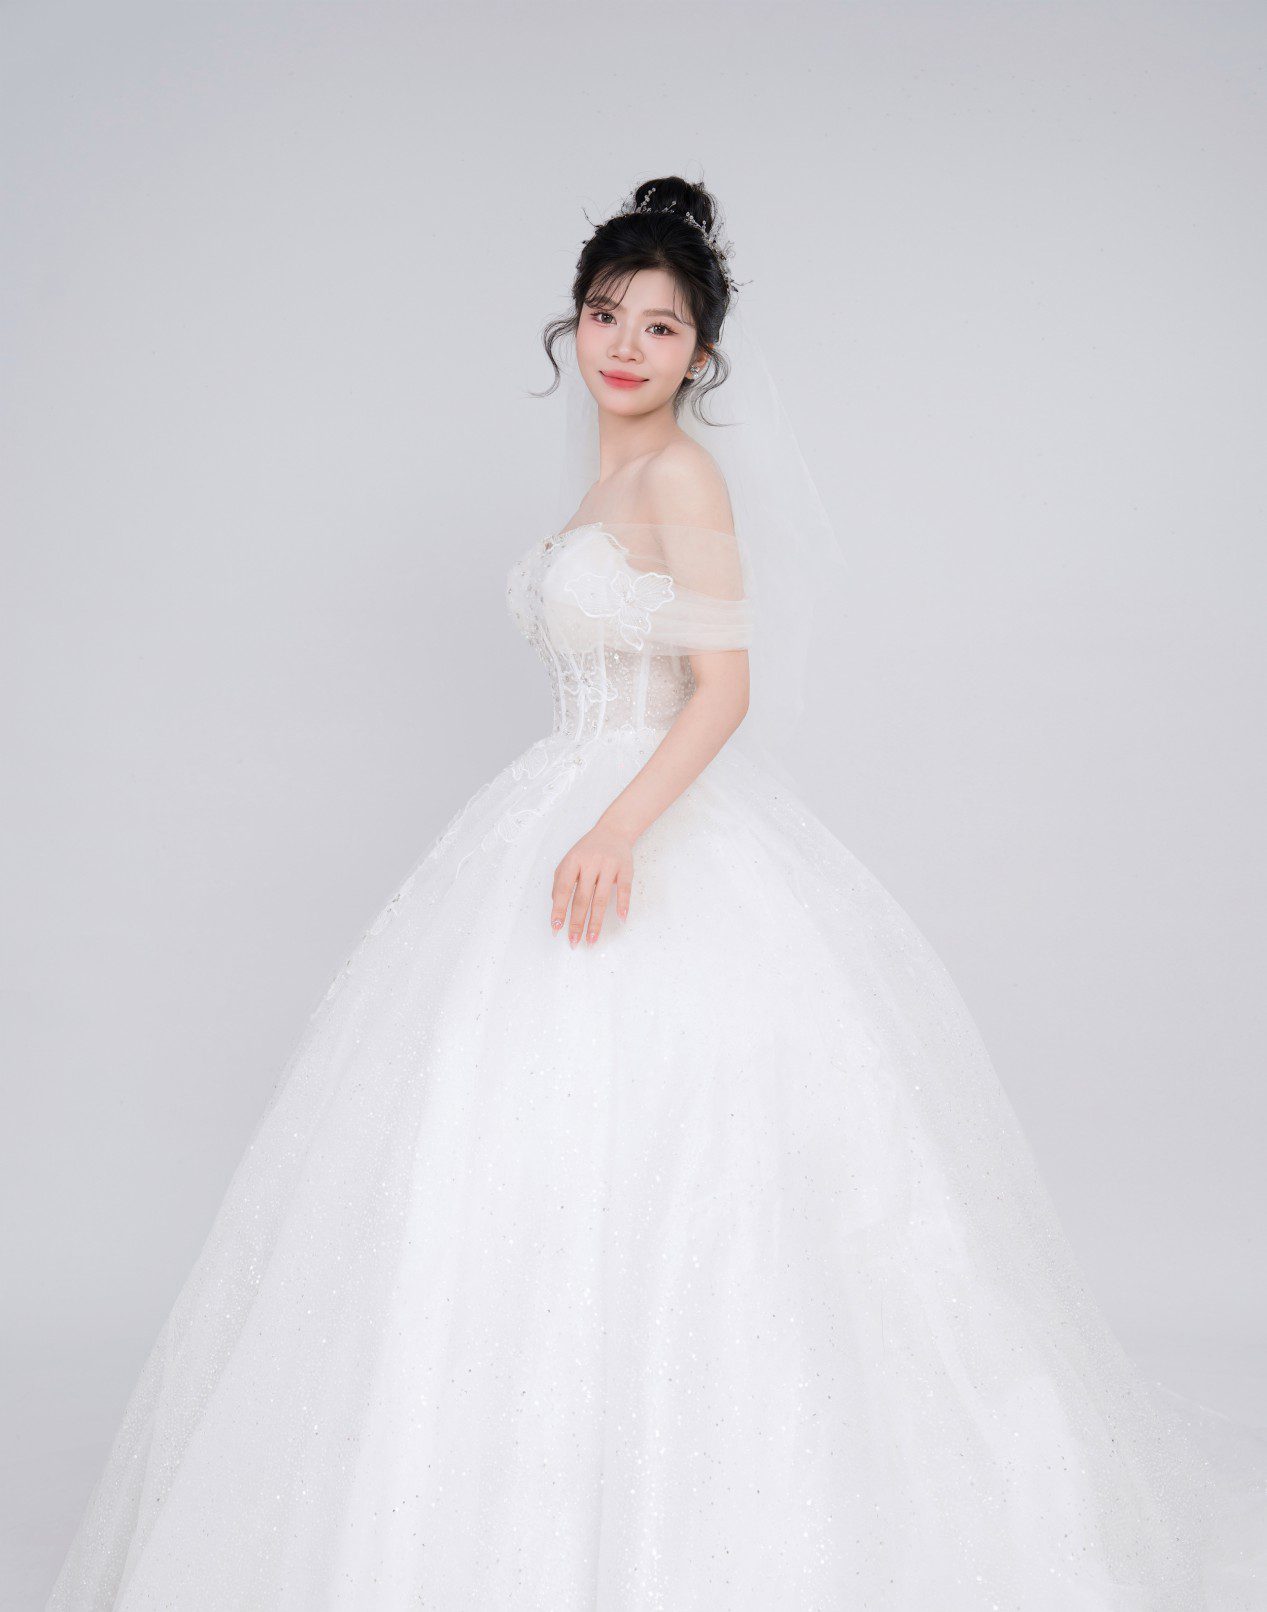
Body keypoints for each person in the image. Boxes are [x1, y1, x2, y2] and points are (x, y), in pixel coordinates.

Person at [45, 175, 1267, 1610]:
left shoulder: (682, 478)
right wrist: (589, 819)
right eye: (606, 314)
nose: (628, 345)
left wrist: (617, 830)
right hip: (555, 808)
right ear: (571, 326)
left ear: (703, 353)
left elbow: (721, 690)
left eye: (662, 325)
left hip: (633, 814)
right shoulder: (600, 487)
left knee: (694, 1173)